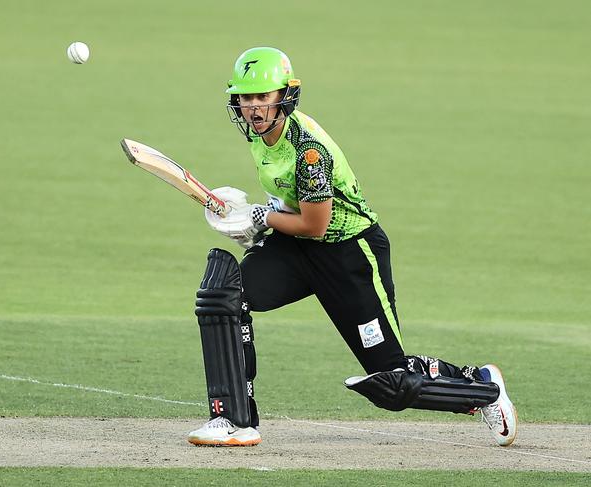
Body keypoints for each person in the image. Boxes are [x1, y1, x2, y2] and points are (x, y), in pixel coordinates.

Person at [187, 47, 517, 447]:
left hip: (351, 255)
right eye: (245, 97)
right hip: (299, 248)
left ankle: (482, 387)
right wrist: (259, 223)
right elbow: (296, 211)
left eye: (262, 97)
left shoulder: (309, 152)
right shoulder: (263, 136)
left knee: (391, 381)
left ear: (283, 96)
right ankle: (235, 420)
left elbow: (315, 224)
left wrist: (260, 218)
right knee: (224, 295)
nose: (253, 108)